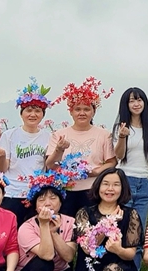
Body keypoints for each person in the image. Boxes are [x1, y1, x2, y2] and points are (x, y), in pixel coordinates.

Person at [45, 77, 116, 218]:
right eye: (77, 109)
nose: (82, 113)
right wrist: (59, 149)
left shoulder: (104, 134)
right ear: (71, 112)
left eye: (86, 109)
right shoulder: (59, 134)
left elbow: (112, 161)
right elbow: (50, 164)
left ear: (93, 112)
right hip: (65, 191)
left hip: (93, 190)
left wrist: (96, 171)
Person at [14, 180, 77, 271]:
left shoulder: (70, 222)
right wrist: (44, 225)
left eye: (53, 198)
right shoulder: (26, 227)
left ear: (61, 202)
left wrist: (54, 233)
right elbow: (47, 255)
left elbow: (68, 257)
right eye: (41, 199)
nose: (48, 203)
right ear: (35, 206)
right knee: (44, 263)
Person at [112, 88, 148, 270]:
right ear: (126, 104)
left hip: (144, 184)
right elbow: (118, 156)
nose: (136, 104)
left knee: (138, 234)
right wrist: (122, 137)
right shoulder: (120, 127)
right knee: (120, 230)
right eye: (132, 101)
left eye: (139, 100)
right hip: (124, 181)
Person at [0, 78, 52, 226]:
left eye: (37, 111)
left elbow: (50, 165)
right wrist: (1, 157)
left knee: (34, 231)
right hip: (12, 193)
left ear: (43, 114)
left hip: (36, 194)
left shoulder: (48, 137)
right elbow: (2, 168)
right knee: (9, 230)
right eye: (29, 110)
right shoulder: (9, 135)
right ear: (21, 113)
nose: (33, 114)